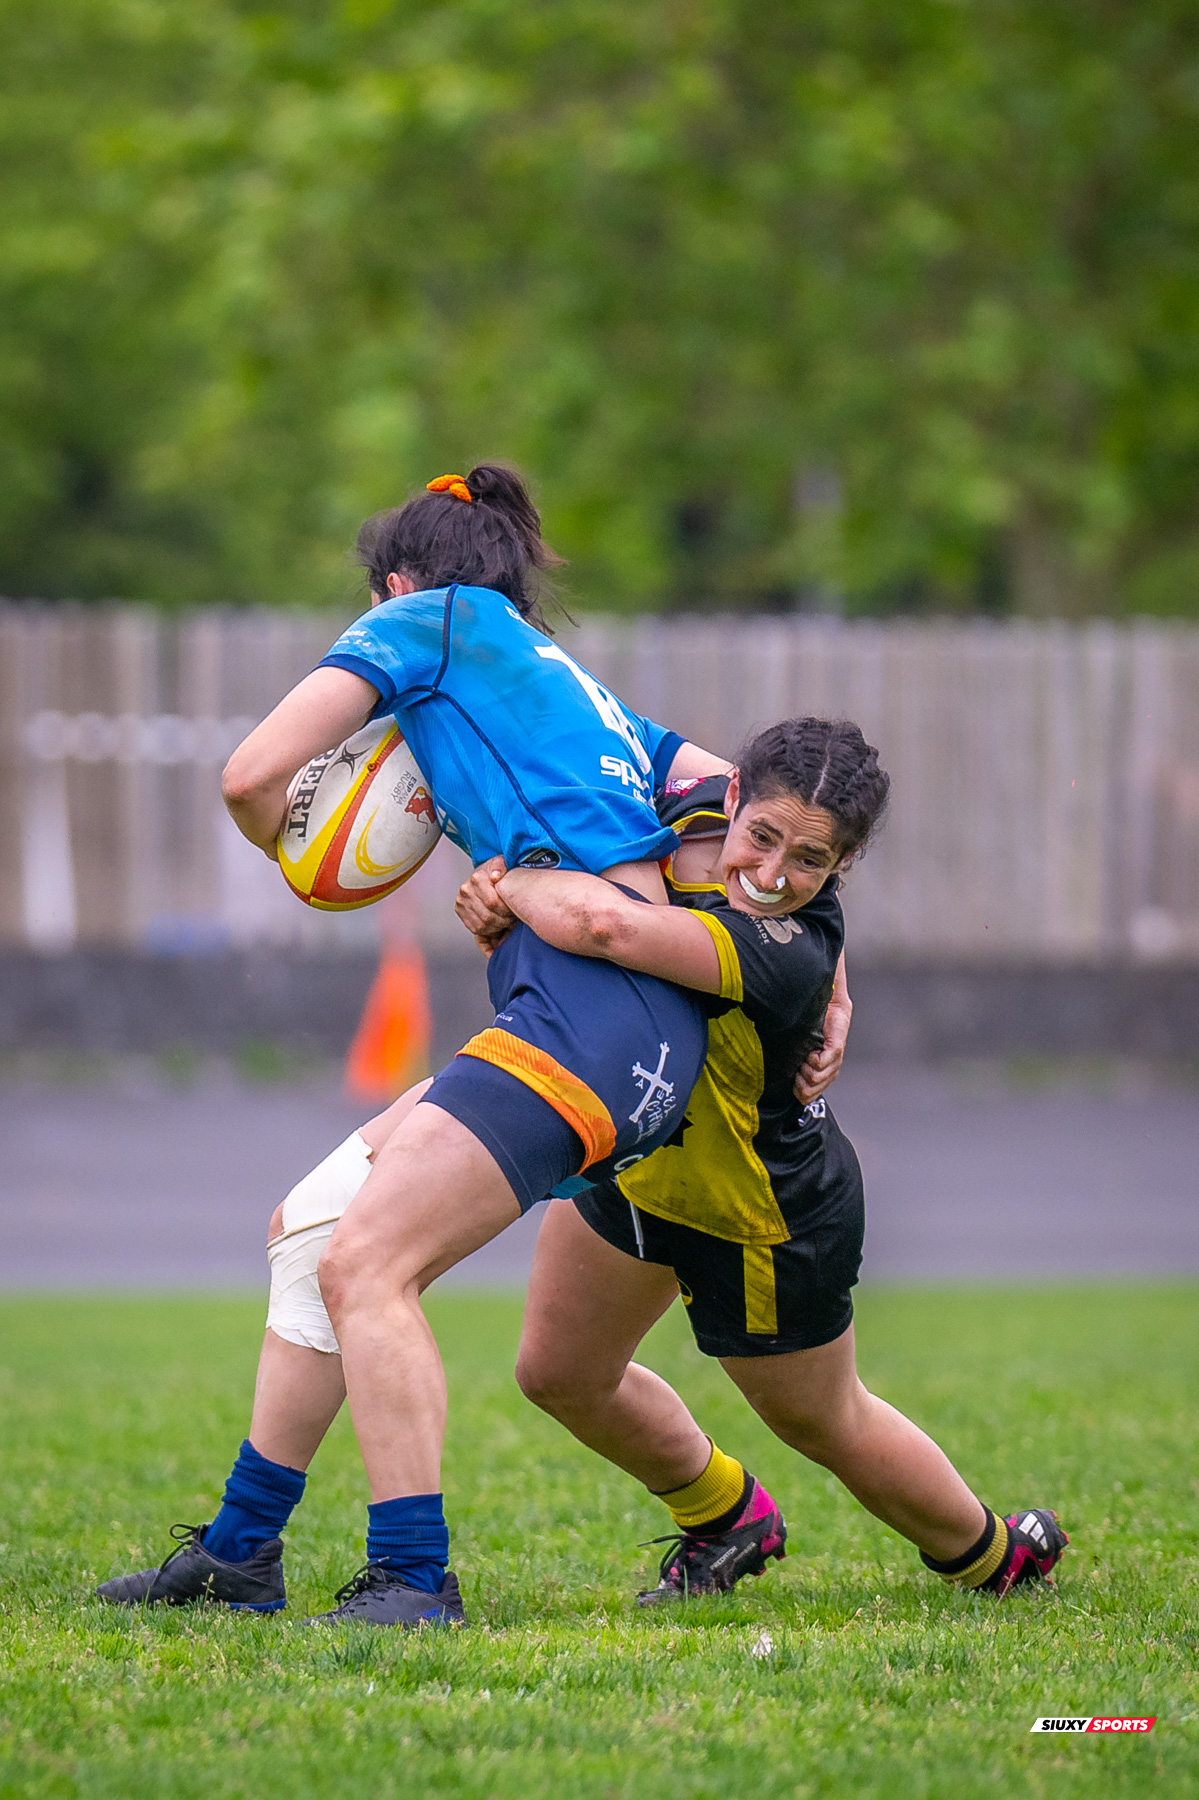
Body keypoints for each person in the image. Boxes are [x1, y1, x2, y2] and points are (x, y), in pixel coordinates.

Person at [97, 462, 733, 1627]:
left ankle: (411, 1578)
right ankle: (239, 1556)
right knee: (313, 1230)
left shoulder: (420, 624)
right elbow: (721, 791)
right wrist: (797, 964)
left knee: (366, 1266)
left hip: (585, 1019)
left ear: (395, 581)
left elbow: (249, 778)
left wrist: (297, 857)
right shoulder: (569, 683)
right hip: (620, 1023)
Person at [458, 718, 1069, 1603]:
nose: (775, 874)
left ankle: (993, 1555)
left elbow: (603, 927)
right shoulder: (682, 807)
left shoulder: (785, 950)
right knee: (558, 1374)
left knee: (823, 1421)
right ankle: (725, 1515)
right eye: (763, 837)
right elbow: (597, 731)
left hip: (762, 1209)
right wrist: (497, 903)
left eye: (811, 862)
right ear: (732, 797)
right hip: (642, 1158)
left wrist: (505, 882)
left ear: (842, 868)